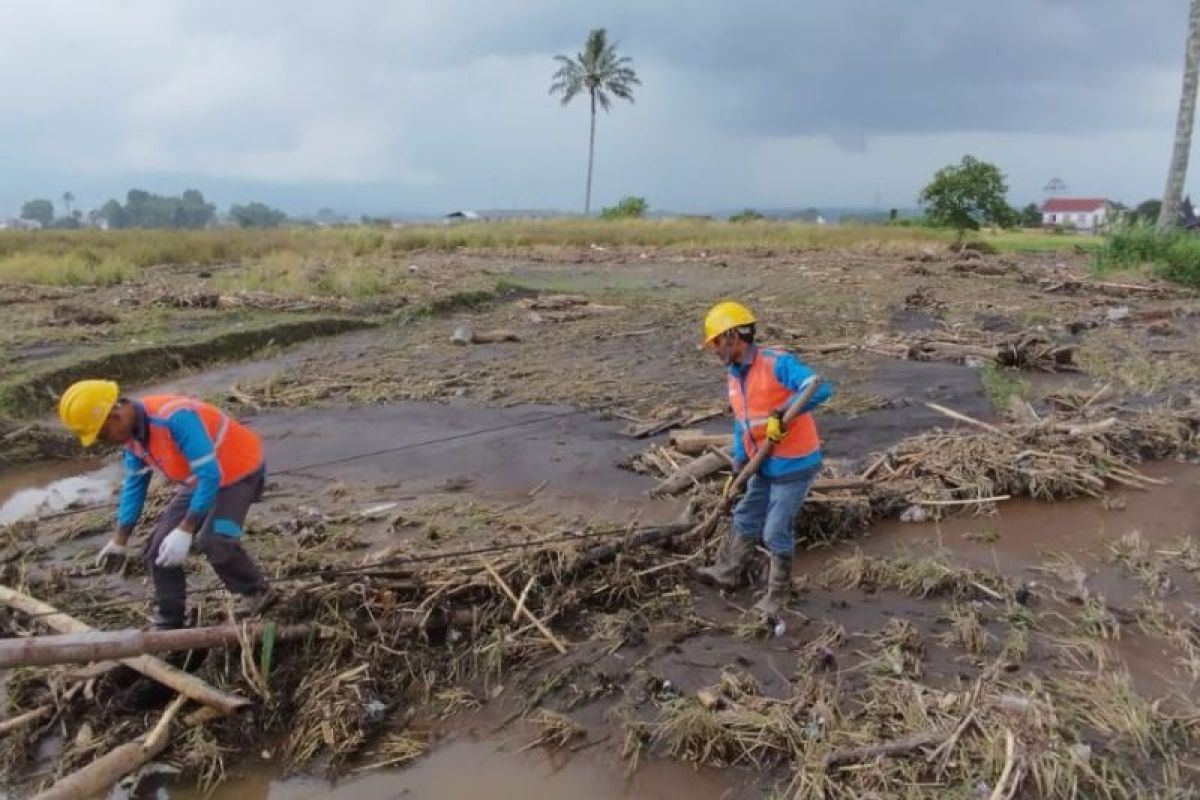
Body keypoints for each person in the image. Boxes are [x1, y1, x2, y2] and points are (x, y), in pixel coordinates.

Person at [57, 380, 274, 629]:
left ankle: (257, 592)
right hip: (198, 481)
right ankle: (170, 621)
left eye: (102, 433)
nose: (104, 440)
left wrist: (185, 529)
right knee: (157, 550)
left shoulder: (175, 418)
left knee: (216, 541)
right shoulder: (132, 438)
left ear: (114, 414)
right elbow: (134, 486)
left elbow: (211, 476)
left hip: (238, 473)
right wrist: (120, 539)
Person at [696, 301, 832, 615]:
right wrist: (738, 462)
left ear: (732, 337)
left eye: (716, 342)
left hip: (794, 465)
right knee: (745, 516)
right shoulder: (734, 374)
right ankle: (727, 572)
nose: (714, 350)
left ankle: (778, 596)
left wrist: (783, 413)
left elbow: (818, 387)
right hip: (762, 465)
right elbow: (742, 422)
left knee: (774, 531)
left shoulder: (775, 364)